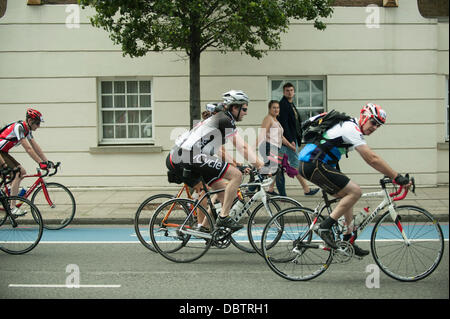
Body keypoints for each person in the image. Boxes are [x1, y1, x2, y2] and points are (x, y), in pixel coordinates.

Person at [298, 103, 412, 256]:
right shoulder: (351, 128)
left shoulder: (352, 129)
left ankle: (347, 240)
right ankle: (324, 227)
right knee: (355, 192)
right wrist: (396, 176)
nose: (375, 127)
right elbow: (371, 158)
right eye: (373, 122)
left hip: (318, 164)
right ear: (363, 116)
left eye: (378, 126)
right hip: (313, 163)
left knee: (348, 196)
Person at [166, 90, 264, 232]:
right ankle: (224, 218)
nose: (245, 112)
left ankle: (204, 228)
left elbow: (220, 151)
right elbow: (242, 146)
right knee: (236, 176)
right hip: (191, 155)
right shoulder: (224, 119)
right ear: (234, 107)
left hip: (192, 156)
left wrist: (238, 164)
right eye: (244, 109)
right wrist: (261, 165)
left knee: (223, 190)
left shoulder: (221, 119)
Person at [0, 108, 53, 213]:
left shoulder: (26, 130)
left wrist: (46, 161)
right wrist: (40, 162)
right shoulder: (19, 128)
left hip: (3, 152)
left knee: (22, 172)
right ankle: (12, 207)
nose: (38, 126)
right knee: (17, 174)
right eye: (37, 123)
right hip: (0, 153)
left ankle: (9, 192)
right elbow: (28, 148)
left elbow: (35, 146)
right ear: (29, 121)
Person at [277, 82, 319, 196]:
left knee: (280, 165)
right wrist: (290, 140)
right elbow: (284, 124)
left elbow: (295, 123)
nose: (289, 92)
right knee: (293, 164)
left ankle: (270, 189)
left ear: (294, 92)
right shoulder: (283, 105)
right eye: (287, 90)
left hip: (290, 140)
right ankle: (306, 189)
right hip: (288, 141)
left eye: (291, 90)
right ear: (283, 92)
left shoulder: (290, 104)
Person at [256, 100, 293, 195]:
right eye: (274, 107)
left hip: (275, 148)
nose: (276, 109)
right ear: (269, 109)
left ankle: (252, 187)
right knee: (277, 170)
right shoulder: (268, 119)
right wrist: (253, 147)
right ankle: (283, 196)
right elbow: (262, 133)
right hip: (268, 146)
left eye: (278, 107)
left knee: (270, 170)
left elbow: (281, 136)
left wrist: (289, 145)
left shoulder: (276, 120)